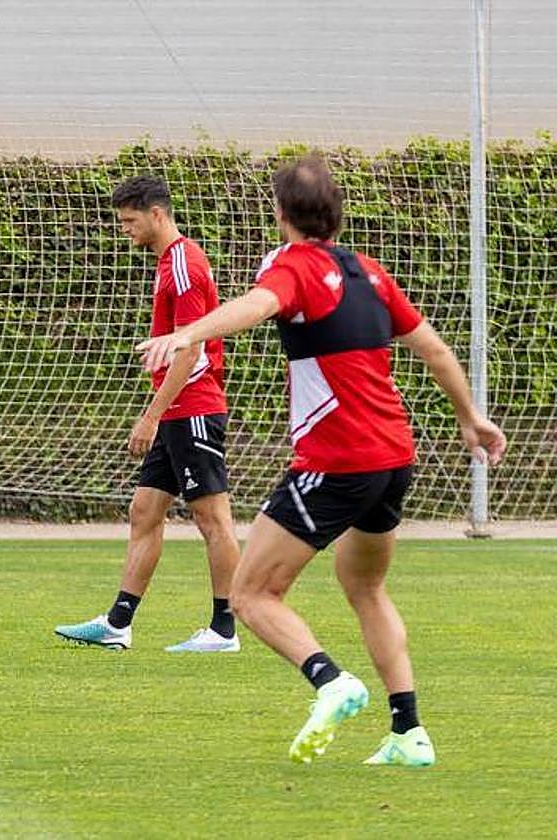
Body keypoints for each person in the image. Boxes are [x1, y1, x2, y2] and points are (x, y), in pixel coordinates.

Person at [138, 155, 506, 766]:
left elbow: (258, 305)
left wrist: (188, 333)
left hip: (336, 462)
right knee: (365, 586)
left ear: (281, 214)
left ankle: (330, 681)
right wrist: (471, 418)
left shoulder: (294, 267)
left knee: (251, 594)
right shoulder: (369, 272)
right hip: (394, 459)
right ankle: (409, 733)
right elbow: (436, 351)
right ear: (336, 214)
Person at [55, 176, 241, 652]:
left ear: (157, 215)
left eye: (130, 220)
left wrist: (152, 415)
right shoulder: (170, 262)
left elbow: (191, 349)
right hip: (177, 409)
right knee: (145, 511)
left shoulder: (183, 265)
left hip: (192, 408)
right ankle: (118, 623)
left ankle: (225, 630)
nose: (125, 229)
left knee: (212, 518)